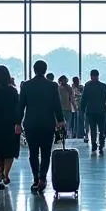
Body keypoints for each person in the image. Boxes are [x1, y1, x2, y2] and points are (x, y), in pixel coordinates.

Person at [17, 59, 66, 192]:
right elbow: (57, 105)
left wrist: (17, 123)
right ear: (45, 70)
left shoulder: (26, 85)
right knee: (45, 153)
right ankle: (43, 178)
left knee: (33, 153)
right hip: (47, 124)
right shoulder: (52, 86)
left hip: (31, 124)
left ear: (34, 70)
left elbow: (21, 106)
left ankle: (35, 179)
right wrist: (61, 120)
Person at [80, 69, 106, 155]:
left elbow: (84, 99)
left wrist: (82, 109)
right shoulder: (103, 86)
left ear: (91, 76)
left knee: (93, 129)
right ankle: (101, 145)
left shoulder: (87, 86)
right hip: (101, 111)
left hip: (90, 111)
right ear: (98, 76)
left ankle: (94, 144)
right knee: (102, 129)